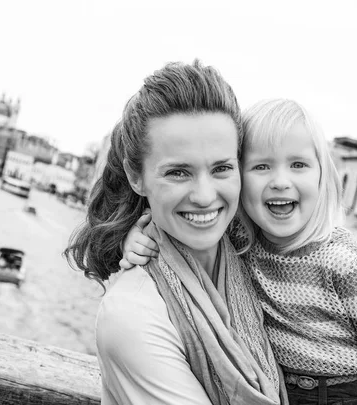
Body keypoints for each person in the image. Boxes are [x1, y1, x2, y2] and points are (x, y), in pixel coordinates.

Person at [121, 99, 357, 405]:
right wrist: (137, 236)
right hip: (282, 390)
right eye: (261, 166)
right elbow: (181, 224)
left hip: (350, 394)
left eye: (298, 165)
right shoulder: (241, 244)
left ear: (323, 177)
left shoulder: (345, 261)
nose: (280, 181)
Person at [64, 61, 287, 405]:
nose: (204, 196)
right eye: (179, 172)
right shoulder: (132, 315)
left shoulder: (252, 255)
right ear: (136, 177)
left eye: (221, 168)